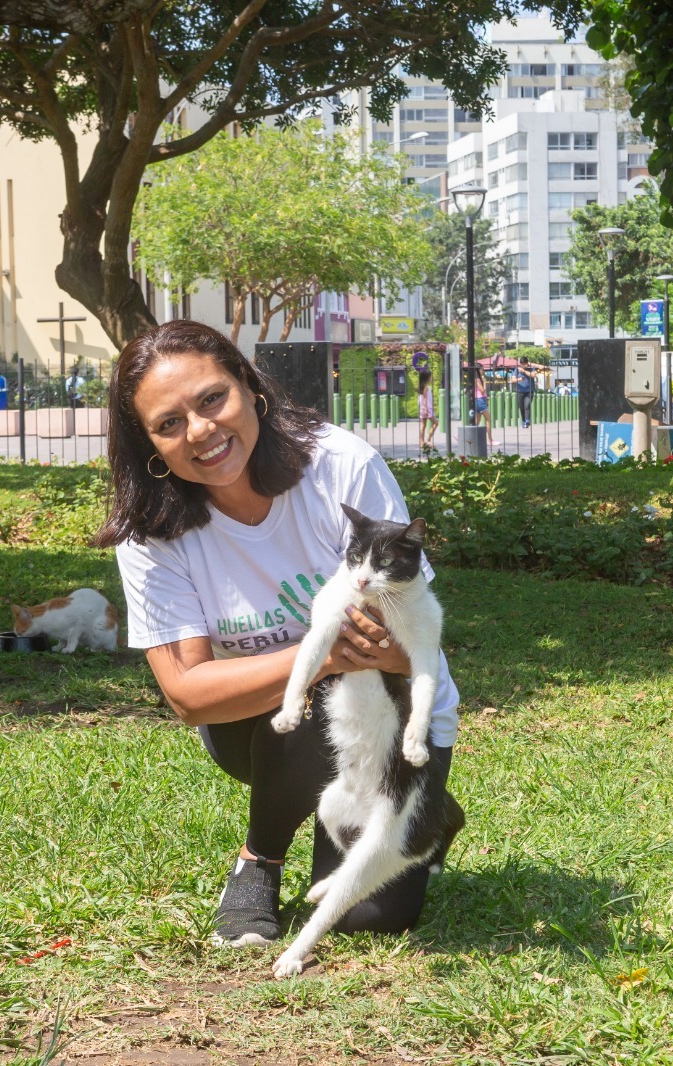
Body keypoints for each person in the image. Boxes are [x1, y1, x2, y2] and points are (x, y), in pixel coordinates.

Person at [100, 320, 461, 948]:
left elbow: (408, 643)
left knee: (372, 919)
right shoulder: (151, 531)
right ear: (151, 447)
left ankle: (433, 812)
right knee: (325, 681)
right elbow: (188, 695)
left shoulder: (341, 467)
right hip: (258, 730)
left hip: (396, 722)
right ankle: (259, 862)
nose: (201, 431)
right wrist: (318, 657)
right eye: (169, 424)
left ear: (250, 387)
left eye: (213, 399)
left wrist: (361, 657)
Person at [470, 366, 496, 448]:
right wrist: (484, 383)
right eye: (482, 369)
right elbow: (482, 391)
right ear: (478, 370)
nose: (483, 371)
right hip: (480, 400)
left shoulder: (477, 379)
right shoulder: (477, 380)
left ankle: (469, 437)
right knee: (488, 419)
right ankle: (490, 440)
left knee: (477, 422)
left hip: (480, 399)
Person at [416, 367, 438, 452]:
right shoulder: (425, 387)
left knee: (423, 425)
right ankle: (428, 439)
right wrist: (426, 409)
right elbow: (424, 399)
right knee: (436, 423)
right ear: (427, 377)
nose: (432, 377)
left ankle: (421, 442)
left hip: (423, 408)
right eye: (431, 376)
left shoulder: (422, 386)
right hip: (427, 409)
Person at [513, 357, 536, 429]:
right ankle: (523, 421)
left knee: (527, 405)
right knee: (522, 407)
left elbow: (533, 375)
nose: (524, 365)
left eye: (525, 364)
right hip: (519, 391)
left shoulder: (531, 368)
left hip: (529, 391)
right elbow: (513, 380)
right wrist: (519, 379)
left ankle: (527, 420)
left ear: (527, 363)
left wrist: (524, 371)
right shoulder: (517, 369)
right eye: (522, 364)